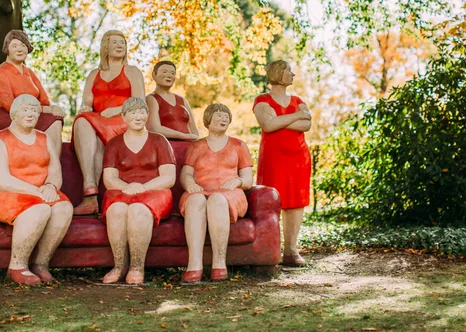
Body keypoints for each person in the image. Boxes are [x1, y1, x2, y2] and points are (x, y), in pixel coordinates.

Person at [0, 94, 74, 285]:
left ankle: (41, 264)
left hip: (40, 191)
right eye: (25, 110)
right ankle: (17, 266)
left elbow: (55, 171)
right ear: (14, 114)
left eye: (34, 110)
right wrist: (37, 192)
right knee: (39, 209)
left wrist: (51, 186)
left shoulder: (44, 138)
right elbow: (1, 180)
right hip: (5, 192)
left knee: (63, 207)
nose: (30, 114)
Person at [101, 97, 176, 285]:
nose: (138, 116)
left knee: (137, 210)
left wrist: (143, 187)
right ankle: (119, 266)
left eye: (142, 112)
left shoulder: (159, 141)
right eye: (133, 112)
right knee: (116, 210)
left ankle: (137, 267)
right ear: (124, 117)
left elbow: (169, 177)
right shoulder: (114, 143)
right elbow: (109, 179)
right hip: (121, 190)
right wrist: (127, 187)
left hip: (155, 190)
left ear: (147, 115)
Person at [72, 30, 145, 215]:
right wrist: (84, 109)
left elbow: (140, 102)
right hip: (98, 120)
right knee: (82, 121)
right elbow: (86, 102)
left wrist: (118, 109)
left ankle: (90, 197)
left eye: (122, 43)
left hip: (125, 120)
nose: (120, 46)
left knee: (89, 126)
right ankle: (90, 188)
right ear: (105, 47)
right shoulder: (94, 74)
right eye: (115, 42)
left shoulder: (132, 71)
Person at [179, 103, 253, 283]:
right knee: (196, 201)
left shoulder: (239, 145)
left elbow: (248, 179)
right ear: (208, 119)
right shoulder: (196, 146)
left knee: (216, 200)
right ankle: (194, 265)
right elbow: (186, 174)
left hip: (229, 193)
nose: (223, 118)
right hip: (199, 190)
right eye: (219, 115)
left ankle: (219, 264)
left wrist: (239, 181)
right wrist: (190, 184)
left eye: (226, 116)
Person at [253, 60, 313, 266]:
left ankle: (291, 251)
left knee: (296, 202)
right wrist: (296, 116)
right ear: (277, 73)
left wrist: (280, 119)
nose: (292, 74)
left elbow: (307, 124)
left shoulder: (298, 99)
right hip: (274, 157)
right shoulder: (262, 99)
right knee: (271, 201)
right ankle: (270, 250)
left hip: (299, 157)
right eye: (289, 70)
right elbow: (268, 125)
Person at [0, 30, 64, 155]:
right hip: (7, 116)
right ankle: (49, 162)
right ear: (7, 49)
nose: (19, 49)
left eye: (23, 45)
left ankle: (53, 163)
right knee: (50, 120)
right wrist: (43, 109)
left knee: (55, 119)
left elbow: (44, 98)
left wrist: (53, 107)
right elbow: (9, 105)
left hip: (32, 114)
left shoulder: (29, 72)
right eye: (14, 46)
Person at [146, 60, 199, 141]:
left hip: (190, 145)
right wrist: (182, 136)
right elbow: (154, 128)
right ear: (154, 75)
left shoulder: (182, 100)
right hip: (166, 145)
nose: (169, 75)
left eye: (172, 73)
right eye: (164, 72)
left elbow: (195, 133)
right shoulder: (151, 99)